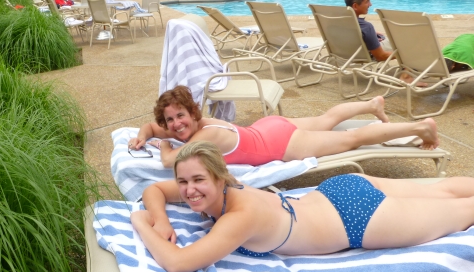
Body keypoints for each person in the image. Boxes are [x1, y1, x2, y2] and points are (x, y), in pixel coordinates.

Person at [130, 141, 474, 272]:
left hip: (360, 219)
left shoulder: (240, 216)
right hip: (339, 191)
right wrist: (160, 219)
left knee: (462, 213)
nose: (189, 191)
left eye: (197, 181)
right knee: (441, 191)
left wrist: (140, 222)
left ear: (220, 177)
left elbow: (176, 263)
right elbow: (154, 189)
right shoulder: (223, 187)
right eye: (184, 182)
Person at [128, 85, 439, 168]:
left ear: (192, 113)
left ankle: (420, 128)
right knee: (327, 120)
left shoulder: (203, 135)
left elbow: (169, 160)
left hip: (279, 144)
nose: (176, 124)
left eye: (180, 116)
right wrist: (144, 136)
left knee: (352, 138)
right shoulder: (196, 125)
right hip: (267, 127)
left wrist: (164, 145)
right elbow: (150, 127)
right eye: (170, 120)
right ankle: (372, 106)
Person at [345, 0, 420, 84]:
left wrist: (372, 35)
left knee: (393, 38)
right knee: (411, 41)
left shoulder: (339, 20)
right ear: (355, 6)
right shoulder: (366, 27)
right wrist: (404, 55)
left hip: (351, 52)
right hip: (370, 53)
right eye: (367, 1)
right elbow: (380, 56)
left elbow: (351, 33)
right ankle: (406, 77)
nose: (370, 4)